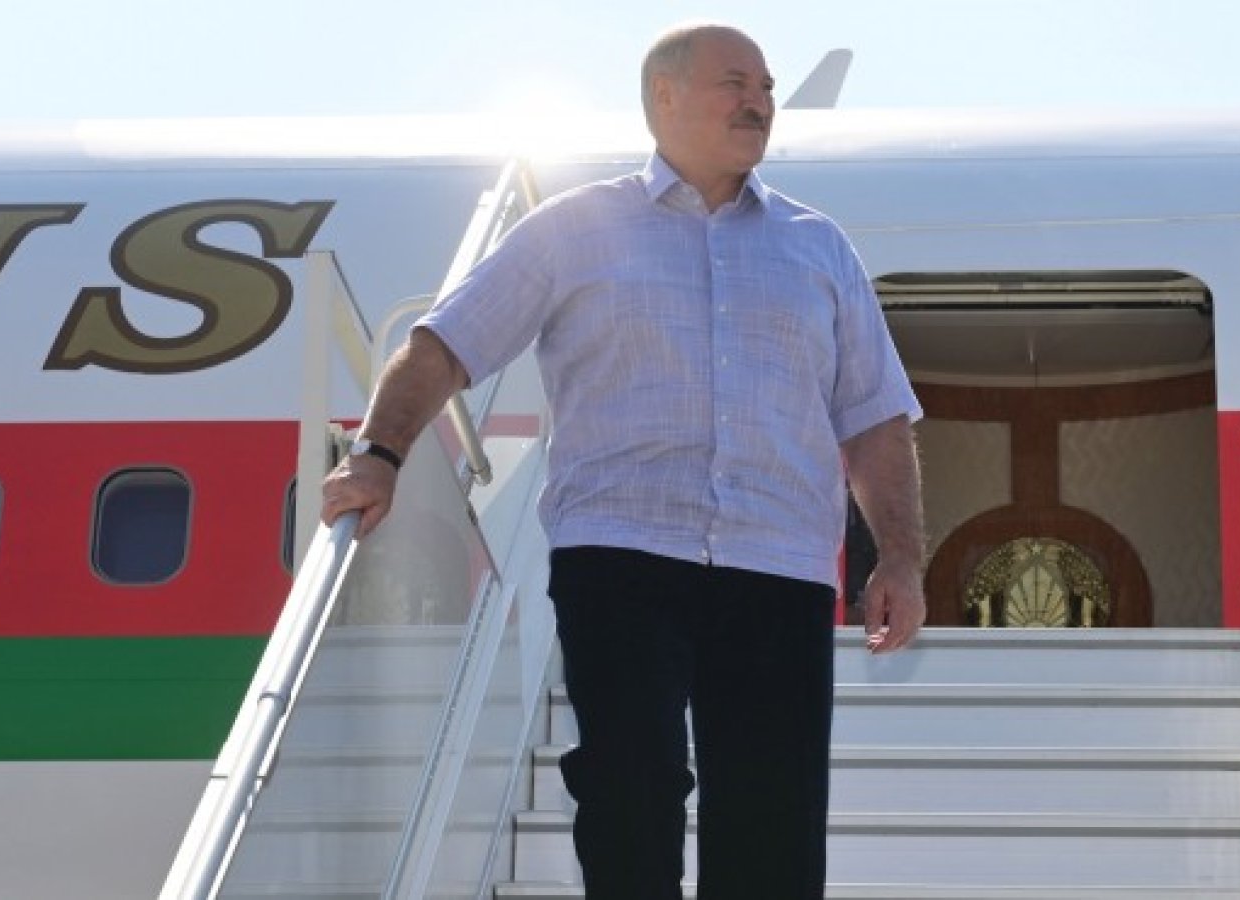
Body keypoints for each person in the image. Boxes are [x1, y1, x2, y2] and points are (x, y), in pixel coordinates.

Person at [321, 22, 926, 900]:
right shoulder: (575, 229)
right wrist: (378, 455)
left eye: (766, 86)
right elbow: (443, 346)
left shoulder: (819, 246)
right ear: (663, 97)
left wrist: (899, 555)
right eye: (735, 82)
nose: (759, 101)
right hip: (622, 557)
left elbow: (874, 418)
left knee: (774, 830)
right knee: (628, 799)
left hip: (778, 566)